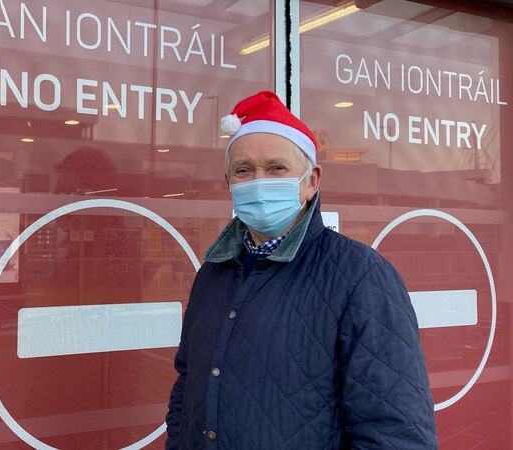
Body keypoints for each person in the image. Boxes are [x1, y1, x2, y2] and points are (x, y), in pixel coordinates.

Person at [165, 91, 437, 449]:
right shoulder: (212, 275)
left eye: (277, 168)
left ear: (311, 182)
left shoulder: (360, 276)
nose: (259, 181)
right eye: (243, 170)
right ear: (228, 183)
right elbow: (188, 386)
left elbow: (396, 433)